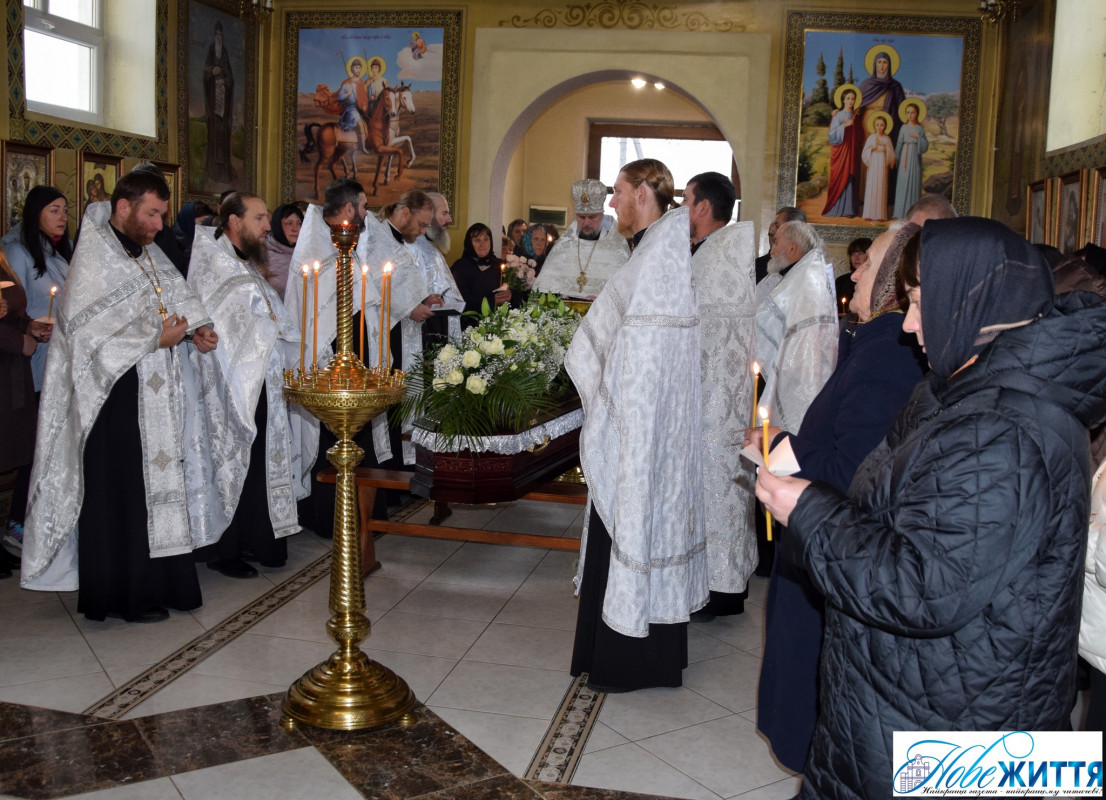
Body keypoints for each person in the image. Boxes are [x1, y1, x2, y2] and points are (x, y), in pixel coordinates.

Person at [756, 217, 1106, 799]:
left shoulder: (1004, 434)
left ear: (975, 304)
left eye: (921, 303)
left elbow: (922, 586)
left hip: (955, 733)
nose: (910, 324)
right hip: (918, 700)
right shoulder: (967, 390)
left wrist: (811, 511)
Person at [754, 222, 927, 775]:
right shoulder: (875, 343)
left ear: (895, 285)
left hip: (831, 547)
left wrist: (776, 448)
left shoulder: (888, 357)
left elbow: (850, 472)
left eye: (869, 262)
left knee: (816, 708)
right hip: (825, 545)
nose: (854, 269)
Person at [21, 170, 219, 622]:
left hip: (154, 396)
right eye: (152, 214)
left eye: (163, 215)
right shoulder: (95, 257)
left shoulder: (148, 252)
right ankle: (125, 597)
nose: (159, 224)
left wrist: (198, 330)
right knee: (123, 493)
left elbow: (178, 299)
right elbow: (88, 337)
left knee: (156, 486)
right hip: (110, 399)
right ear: (123, 207)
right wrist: (156, 339)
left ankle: (165, 584)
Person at [568, 158, 707, 692]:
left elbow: (640, 355)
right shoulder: (655, 251)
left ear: (645, 194)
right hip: (645, 431)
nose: (612, 203)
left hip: (641, 435)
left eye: (619, 191)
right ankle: (611, 653)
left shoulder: (659, 258)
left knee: (632, 525)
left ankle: (629, 662)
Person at [186, 193, 309, 579]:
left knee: (259, 461)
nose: (267, 226)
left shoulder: (248, 264)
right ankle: (226, 549)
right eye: (260, 218)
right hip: (228, 384)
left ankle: (260, 540)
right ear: (235, 222)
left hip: (261, 382)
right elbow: (204, 318)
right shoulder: (211, 262)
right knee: (232, 460)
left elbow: (271, 316)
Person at [683, 172, 758, 618]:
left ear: (704, 208)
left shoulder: (710, 262)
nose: (683, 212)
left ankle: (716, 590)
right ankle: (726, 587)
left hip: (711, 404)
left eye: (687, 202)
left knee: (715, 493)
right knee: (728, 495)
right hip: (724, 403)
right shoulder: (723, 255)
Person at [0, 250, 50, 576]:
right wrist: (19, 341)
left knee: (14, 449)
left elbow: (12, 309)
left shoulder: (2, 257)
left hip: (12, 375)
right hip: (7, 359)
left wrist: (29, 327)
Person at [0, 185, 72, 391]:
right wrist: (31, 326)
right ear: (36, 213)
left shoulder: (62, 250)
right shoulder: (17, 252)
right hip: (35, 349)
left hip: (61, 349)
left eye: (65, 210)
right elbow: (13, 305)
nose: (63, 217)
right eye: (55, 210)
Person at [533, 179, 630, 298]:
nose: (586, 222)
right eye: (581, 217)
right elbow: (544, 291)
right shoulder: (563, 248)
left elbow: (626, 293)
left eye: (592, 217)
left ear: (601, 216)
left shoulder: (617, 250)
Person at [414, 192, 465, 344]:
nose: (449, 219)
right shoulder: (413, 248)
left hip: (437, 329)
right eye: (444, 213)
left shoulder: (430, 248)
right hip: (423, 332)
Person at [450, 223, 511, 329]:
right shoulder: (460, 267)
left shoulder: (500, 265)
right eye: (477, 240)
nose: (482, 245)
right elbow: (459, 299)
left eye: (486, 240)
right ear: (469, 243)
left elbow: (514, 290)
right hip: (470, 326)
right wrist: (491, 302)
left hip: (497, 325)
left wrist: (509, 295)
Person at [823, 84, 863, 218]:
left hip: (852, 151)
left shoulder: (856, 116)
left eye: (853, 98)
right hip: (841, 151)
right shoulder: (838, 115)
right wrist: (844, 126)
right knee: (841, 176)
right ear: (843, 100)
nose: (851, 101)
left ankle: (849, 210)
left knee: (851, 176)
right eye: (848, 98)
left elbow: (859, 134)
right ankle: (835, 209)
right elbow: (831, 135)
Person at [203, 20, 236, 185]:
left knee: (223, 136)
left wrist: (223, 74)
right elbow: (205, 73)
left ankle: (224, 171)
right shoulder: (211, 50)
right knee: (213, 134)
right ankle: (211, 169)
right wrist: (211, 72)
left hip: (223, 104)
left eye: (220, 34)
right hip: (213, 102)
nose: (218, 37)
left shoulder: (224, 53)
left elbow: (231, 77)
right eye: (216, 34)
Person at [892, 100, 929, 219]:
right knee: (902, 182)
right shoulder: (903, 127)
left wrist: (917, 137)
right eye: (907, 112)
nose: (910, 115)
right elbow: (899, 144)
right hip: (905, 156)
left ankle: (913, 214)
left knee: (914, 181)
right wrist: (896, 157)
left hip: (915, 156)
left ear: (917, 114)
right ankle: (899, 213)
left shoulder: (920, 129)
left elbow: (925, 145)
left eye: (912, 112)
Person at [754, 206, 806, 284]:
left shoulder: (803, 270)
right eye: (772, 224)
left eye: (777, 226)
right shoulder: (757, 265)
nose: (771, 231)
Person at [861, 112, 896, 221]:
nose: (879, 127)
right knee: (871, 186)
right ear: (874, 126)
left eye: (881, 125)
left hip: (881, 164)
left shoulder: (887, 139)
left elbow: (892, 155)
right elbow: (865, 152)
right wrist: (872, 147)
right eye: (877, 124)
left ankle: (880, 215)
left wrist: (885, 147)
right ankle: (868, 214)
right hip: (873, 164)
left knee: (881, 187)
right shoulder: (871, 137)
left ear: (885, 126)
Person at [266, 203, 304, 300]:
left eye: (298, 223)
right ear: (278, 225)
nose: (295, 229)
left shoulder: (306, 253)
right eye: (289, 223)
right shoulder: (263, 254)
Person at [337, 57, 370, 148]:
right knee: (360, 123)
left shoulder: (363, 84)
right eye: (356, 67)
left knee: (366, 125)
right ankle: (362, 147)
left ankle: (367, 144)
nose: (358, 70)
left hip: (360, 110)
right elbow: (339, 98)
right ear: (352, 69)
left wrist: (364, 106)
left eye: (359, 68)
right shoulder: (346, 83)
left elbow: (365, 98)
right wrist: (348, 93)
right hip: (350, 110)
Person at [836, 236, 871, 314]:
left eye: (860, 253)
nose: (856, 258)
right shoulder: (841, 281)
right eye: (852, 254)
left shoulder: (875, 280)